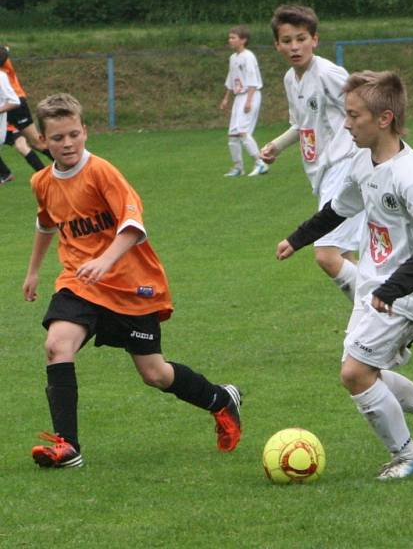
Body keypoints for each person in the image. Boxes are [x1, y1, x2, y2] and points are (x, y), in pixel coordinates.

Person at [23, 93, 243, 469]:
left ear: (85, 131)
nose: (68, 143)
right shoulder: (42, 182)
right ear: (43, 141)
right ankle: (67, 446)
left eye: (73, 134)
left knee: (154, 374)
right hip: (80, 282)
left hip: (130, 285)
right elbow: (46, 223)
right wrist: (33, 271)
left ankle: (220, 399)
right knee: (57, 345)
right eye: (57, 138)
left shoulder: (102, 173)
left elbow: (132, 225)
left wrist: (106, 261)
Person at [276, 71, 413, 479]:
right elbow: (337, 210)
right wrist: (297, 239)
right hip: (374, 282)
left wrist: (394, 290)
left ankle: (409, 457)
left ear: (384, 119)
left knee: (355, 373)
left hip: (408, 290)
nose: (345, 124)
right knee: (365, 370)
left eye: (354, 116)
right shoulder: (363, 162)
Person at [261, 5, 363, 303]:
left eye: (301, 38)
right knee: (345, 256)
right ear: (277, 45)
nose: (295, 46)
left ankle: (385, 317)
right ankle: (382, 329)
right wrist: (276, 146)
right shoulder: (291, 80)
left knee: (326, 255)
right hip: (323, 173)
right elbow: (301, 124)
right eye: (287, 40)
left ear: (315, 40)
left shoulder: (330, 74)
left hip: (346, 167)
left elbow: (361, 109)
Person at [219, 25, 267, 177]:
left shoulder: (248, 56)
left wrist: (249, 100)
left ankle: (260, 163)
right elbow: (231, 79)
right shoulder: (233, 58)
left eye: (233, 38)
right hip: (239, 97)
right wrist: (226, 98)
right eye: (230, 37)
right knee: (233, 134)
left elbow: (253, 79)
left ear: (243, 40)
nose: (230, 40)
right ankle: (238, 167)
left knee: (243, 131)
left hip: (250, 94)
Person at [0, 44, 52, 157]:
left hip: (13, 100)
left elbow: (4, 50)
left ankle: (69, 166)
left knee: (37, 143)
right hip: (5, 102)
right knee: (32, 143)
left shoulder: (3, 63)